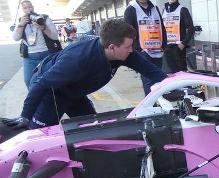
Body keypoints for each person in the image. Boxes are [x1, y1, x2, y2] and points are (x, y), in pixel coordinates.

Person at [3, 19, 167, 129]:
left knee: (92, 128)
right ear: (111, 47)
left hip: (74, 92)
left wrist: (174, 83)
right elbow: (42, 84)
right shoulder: (78, 60)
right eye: (128, 46)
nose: (132, 50)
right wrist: (25, 116)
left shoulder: (123, 53)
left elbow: (150, 70)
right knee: (40, 137)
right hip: (50, 92)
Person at [12, 0, 60, 89]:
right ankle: (36, 101)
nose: (28, 9)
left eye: (29, 7)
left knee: (50, 80)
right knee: (29, 81)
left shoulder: (44, 19)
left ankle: (51, 100)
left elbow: (55, 37)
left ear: (33, 7)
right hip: (29, 57)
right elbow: (15, 38)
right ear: (22, 10)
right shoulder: (21, 21)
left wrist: (43, 28)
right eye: (25, 8)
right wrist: (21, 25)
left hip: (46, 54)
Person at [124, 0, 167, 95]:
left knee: (158, 80)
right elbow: (127, 31)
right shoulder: (131, 8)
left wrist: (163, 45)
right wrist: (138, 48)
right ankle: (151, 106)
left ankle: (158, 103)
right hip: (143, 51)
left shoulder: (155, 8)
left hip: (158, 50)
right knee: (148, 81)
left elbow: (161, 27)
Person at [161, 0, 195, 73]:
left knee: (181, 72)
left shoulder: (182, 9)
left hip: (178, 47)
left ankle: (185, 85)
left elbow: (191, 28)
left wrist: (183, 43)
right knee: (171, 73)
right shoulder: (164, 10)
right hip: (167, 46)